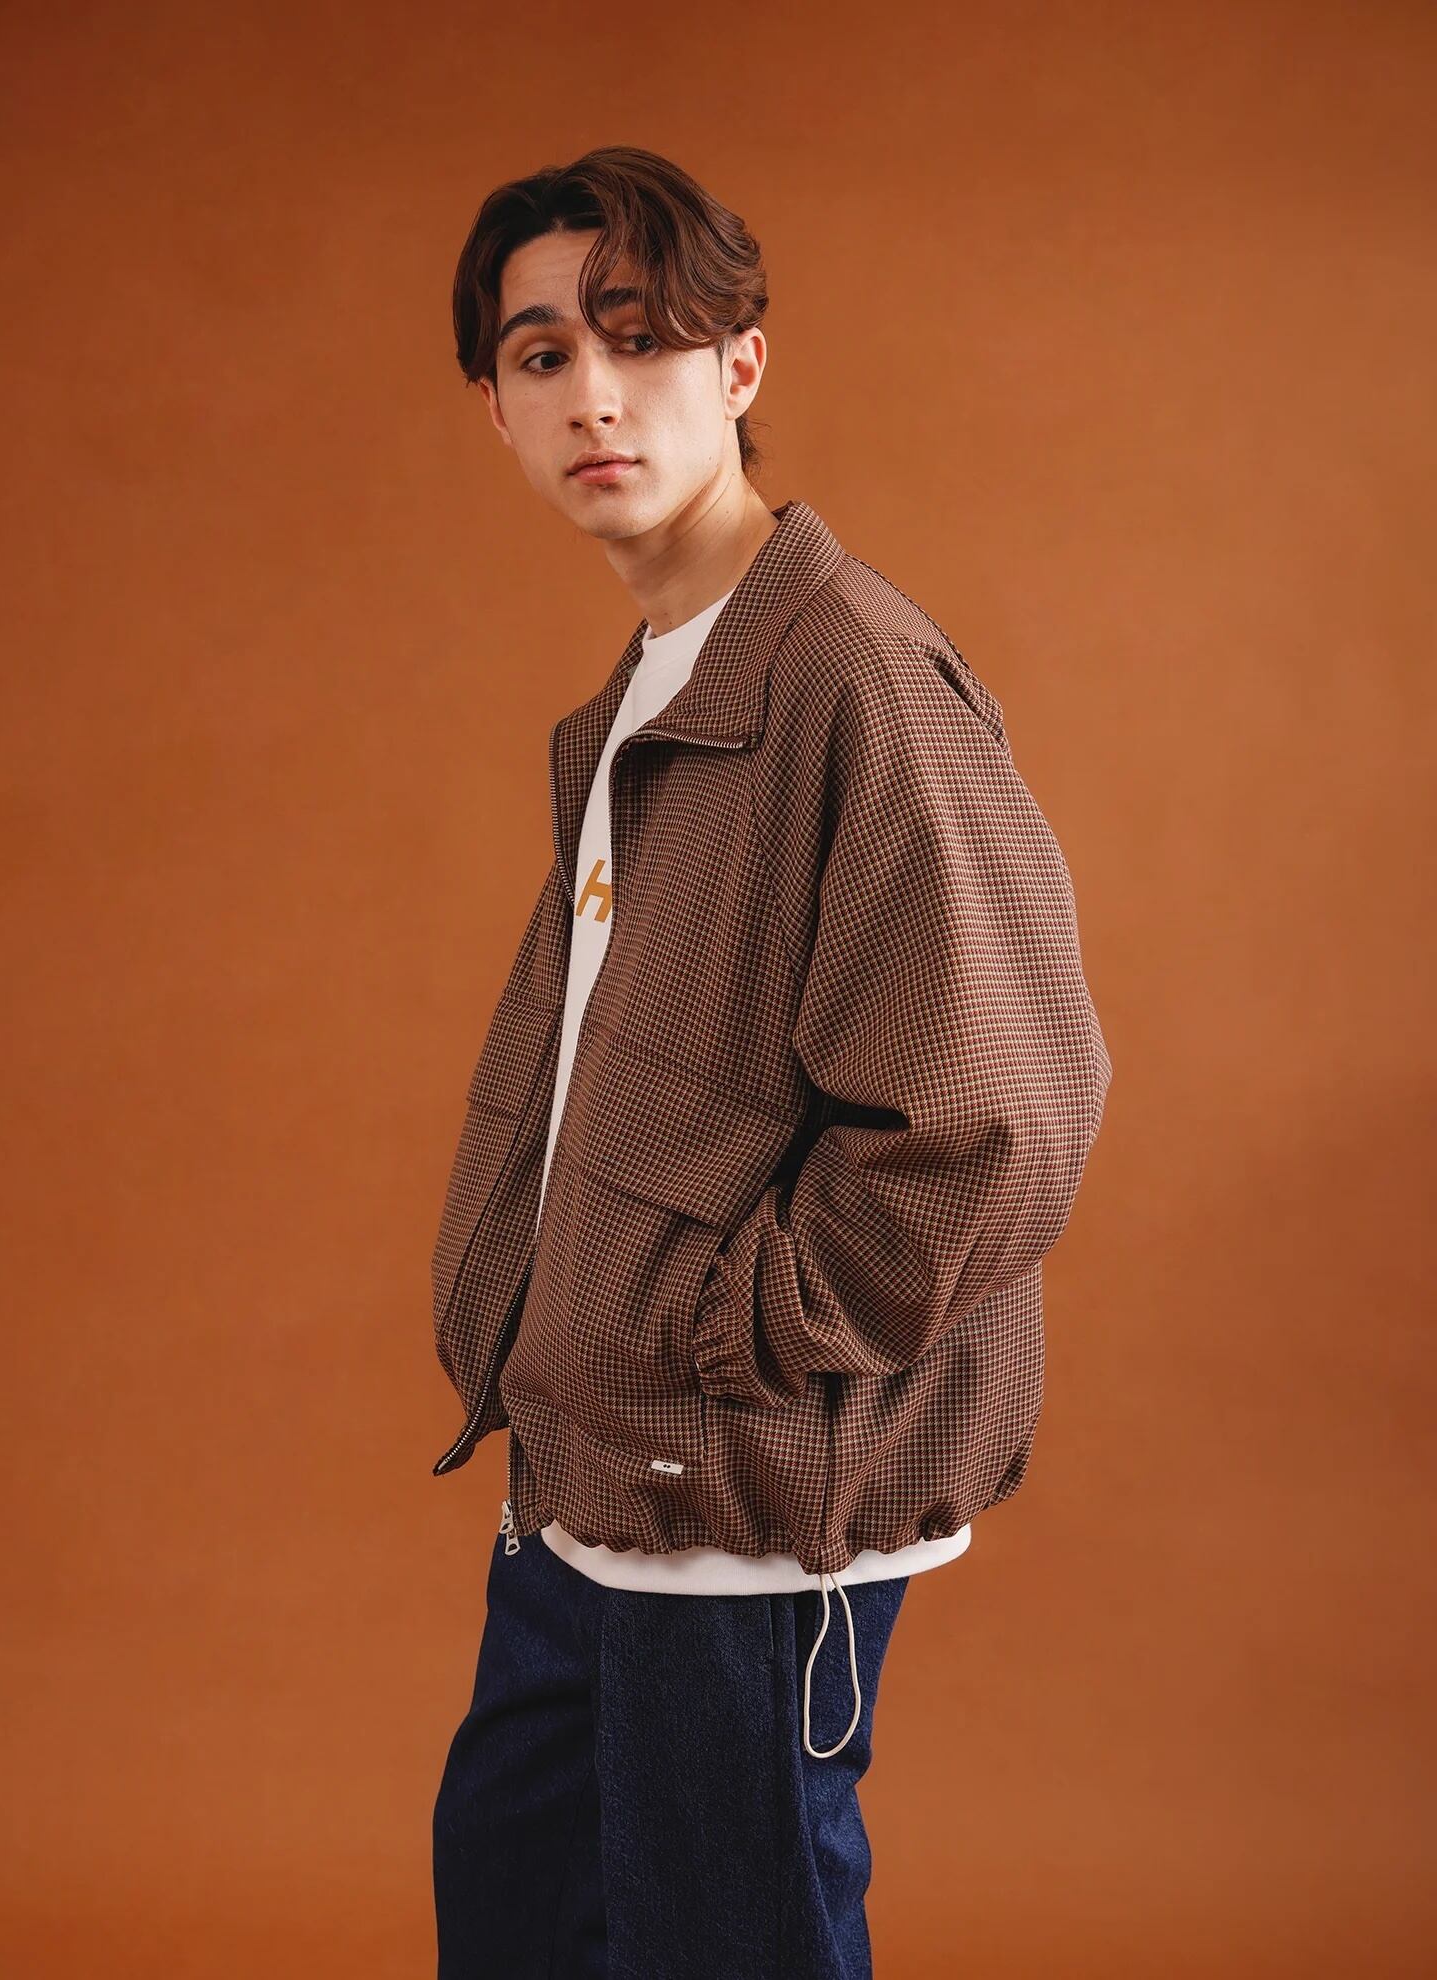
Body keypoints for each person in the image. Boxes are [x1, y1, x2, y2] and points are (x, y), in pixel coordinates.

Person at [428, 144, 1112, 1979]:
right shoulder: (658, 683)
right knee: (520, 1914)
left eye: (640, 337)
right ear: (496, 405)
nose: (594, 393)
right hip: (588, 1494)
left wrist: (714, 1335)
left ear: (739, 363)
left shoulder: (848, 676)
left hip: (737, 1518)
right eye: (543, 353)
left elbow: (997, 1120)